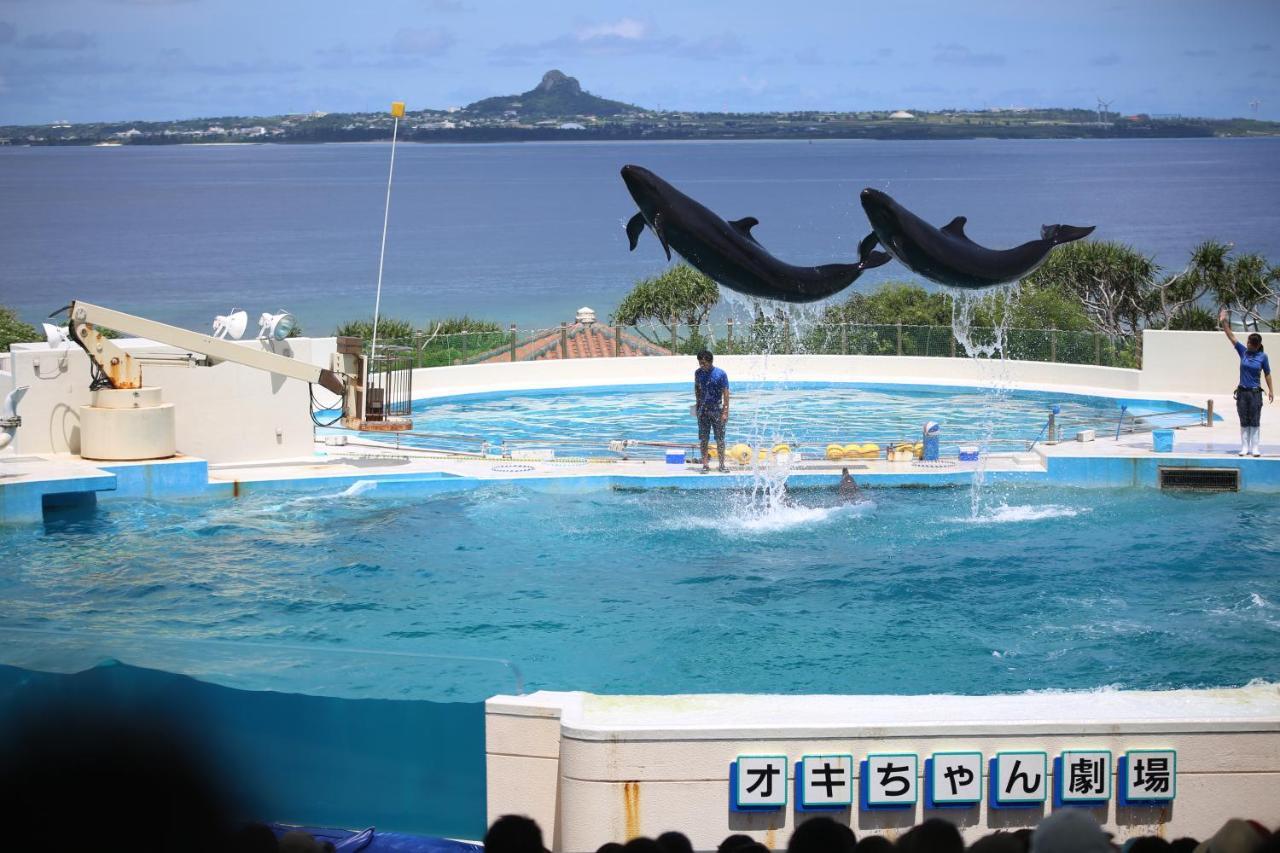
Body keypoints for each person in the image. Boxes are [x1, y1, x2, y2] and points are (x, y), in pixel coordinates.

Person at [1219, 308, 1273, 457]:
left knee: (1254, 420)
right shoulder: (1243, 351)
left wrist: (1271, 390)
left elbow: (1267, 374)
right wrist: (1224, 321)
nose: (1247, 343)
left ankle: (1255, 448)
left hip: (1255, 393)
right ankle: (1244, 448)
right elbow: (1231, 336)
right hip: (1242, 392)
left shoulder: (1263, 357)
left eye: (1249, 342)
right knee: (1244, 419)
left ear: (1255, 345)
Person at [694, 349, 730, 472]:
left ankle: (721, 465)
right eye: (700, 363)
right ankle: (705, 465)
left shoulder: (720, 374)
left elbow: (726, 393)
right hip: (703, 411)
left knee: (720, 439)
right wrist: (697, 406)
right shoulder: (698, 373)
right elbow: (697, 389)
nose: (702, 365)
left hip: (717, 410)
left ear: (710, 362)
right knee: (704, 439)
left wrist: (725, 411)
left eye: (704, 363)